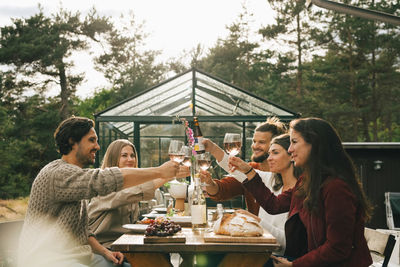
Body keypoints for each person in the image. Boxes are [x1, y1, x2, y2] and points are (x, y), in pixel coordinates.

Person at [17, 116, 189, 267]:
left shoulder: (76, 176)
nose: (98, 146)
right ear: (72, 142)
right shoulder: (58, 174)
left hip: (82, 257)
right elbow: (106, 179)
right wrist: (159, 171)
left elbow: (84, 232)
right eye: (92, 140)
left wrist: (105, 252)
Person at [229, 117, 373, 267]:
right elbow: (274, 205)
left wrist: (294, 265)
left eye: (294, 142)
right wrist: (248, 171)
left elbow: (337, 249)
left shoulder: (337, 188)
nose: (290, 149)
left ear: (314, 144)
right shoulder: (308, 181)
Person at [200, 117, 292, 251]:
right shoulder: (269, 178)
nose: (270, 157)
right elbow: (240, 170)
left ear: (292, 155)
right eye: (254, 141)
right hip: (262, 250)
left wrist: (255, 220)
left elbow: (290, 242)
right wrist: (213, 148)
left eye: (275, 152)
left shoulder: (302, 189)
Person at [87, 139, 168, 249]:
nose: (130, 159)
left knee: (162, 251)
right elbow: (130, 193)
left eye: (132, 155)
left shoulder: (128, 185)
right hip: (104, 246)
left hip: (124, 242)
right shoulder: (103, 185)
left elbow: (131, 222)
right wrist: (167, 175)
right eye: (124, 155)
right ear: (113, 158)